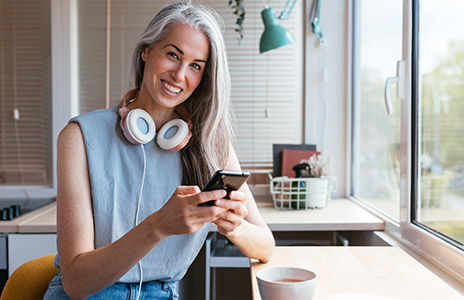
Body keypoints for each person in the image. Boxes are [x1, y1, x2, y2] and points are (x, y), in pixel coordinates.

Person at [44, 1, 275, 299]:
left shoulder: (211, 145)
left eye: (195, 66)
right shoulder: (79, 137)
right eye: (172, 55)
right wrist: (158, 226)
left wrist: (234, 228)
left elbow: (266, 246)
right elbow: (76, 283)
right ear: (146, 51)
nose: (180, 74)